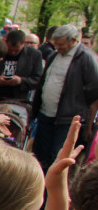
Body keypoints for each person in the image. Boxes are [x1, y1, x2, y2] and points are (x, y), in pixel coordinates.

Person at [33, 25, 98, 172]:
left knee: (57, 158)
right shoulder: (54, 55)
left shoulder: (86, 58)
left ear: (73, 40)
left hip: (67, 119)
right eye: (56, 44)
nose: (58, 47)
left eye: (61, 44)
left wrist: (86, 121)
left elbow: (94, 91)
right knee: (39, 156)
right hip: (46, 115)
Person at [0, 29, 43, 102]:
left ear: (24, 44)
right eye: (10, 50)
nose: (13, 52)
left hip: (19, 98)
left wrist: (21, 81)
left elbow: (38, 79)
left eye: (17, 50)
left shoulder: (34, 55)